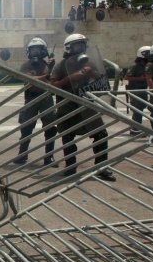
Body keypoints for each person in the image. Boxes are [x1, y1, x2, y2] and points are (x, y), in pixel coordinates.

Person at [49, 34, 116, 181]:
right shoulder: (61, 65)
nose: (80, 48)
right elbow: (52, 85)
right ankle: (71, 167)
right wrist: (71, 77)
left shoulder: (89, 62)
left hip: (87, 105)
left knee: (101, 135)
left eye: (82, 45)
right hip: (67, 106)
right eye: (76, 45)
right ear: (69, 47)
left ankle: (101, 168)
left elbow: (100, 79)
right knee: (68, 137)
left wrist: (92, 72)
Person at [13, 38, 58, 167]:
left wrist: (51, 67)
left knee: (50, 128)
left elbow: (54, 78)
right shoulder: (26, 65)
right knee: (26, 128)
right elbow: (29, 80)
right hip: (31, 98)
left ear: (43, 50)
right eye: (33, 49)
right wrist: (46, 75)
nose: (35, 52)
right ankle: (22, 155)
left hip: (46, 98)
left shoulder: (48, 65)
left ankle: (49, 156)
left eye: (38, 49)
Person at [125, 46, 150, 135]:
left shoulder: (146, 65)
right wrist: (140, 78)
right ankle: (135, 130)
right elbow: (127, 77)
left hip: (142, 90)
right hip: (135, 90)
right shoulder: (135, 66)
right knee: (137, 110)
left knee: (140, 109)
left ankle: (136, 128)